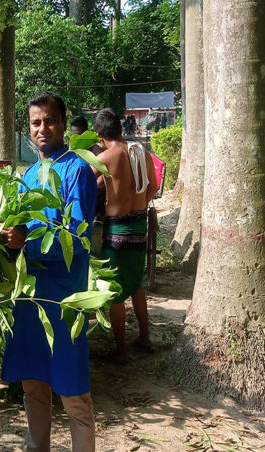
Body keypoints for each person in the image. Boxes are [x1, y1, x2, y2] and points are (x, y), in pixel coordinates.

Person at [0, 93, 97, 452]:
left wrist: (27, 240)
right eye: (36, 122)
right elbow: (18, 230)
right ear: (29, 128)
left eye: (50, 120)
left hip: (64, 297)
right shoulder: (27, 174)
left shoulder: (77, 170)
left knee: (73, 392)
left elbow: (77, 237)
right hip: (29, 298)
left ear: (63, 123)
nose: (43, 128)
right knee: (33, 385)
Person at [92, 108, 159, 364]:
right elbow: (152, 187)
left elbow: (82, 182)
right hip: (139, 226)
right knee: (135, 284)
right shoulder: (141, 153)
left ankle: (120, 351)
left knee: (114, 293)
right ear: (119, 129)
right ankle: (145, 337)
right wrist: (139, 205)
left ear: (100, 136)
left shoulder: (107, 156)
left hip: (117, 229)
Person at [69, 115, 107, 255]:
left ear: (86, 134)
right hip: (77, 209)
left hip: (95, 210)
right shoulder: (73, 152)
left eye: (79, 136)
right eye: (73, 136)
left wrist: (83, 191)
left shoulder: (98, 153)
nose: (76, 140)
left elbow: (102, 181)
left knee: (94, 253)